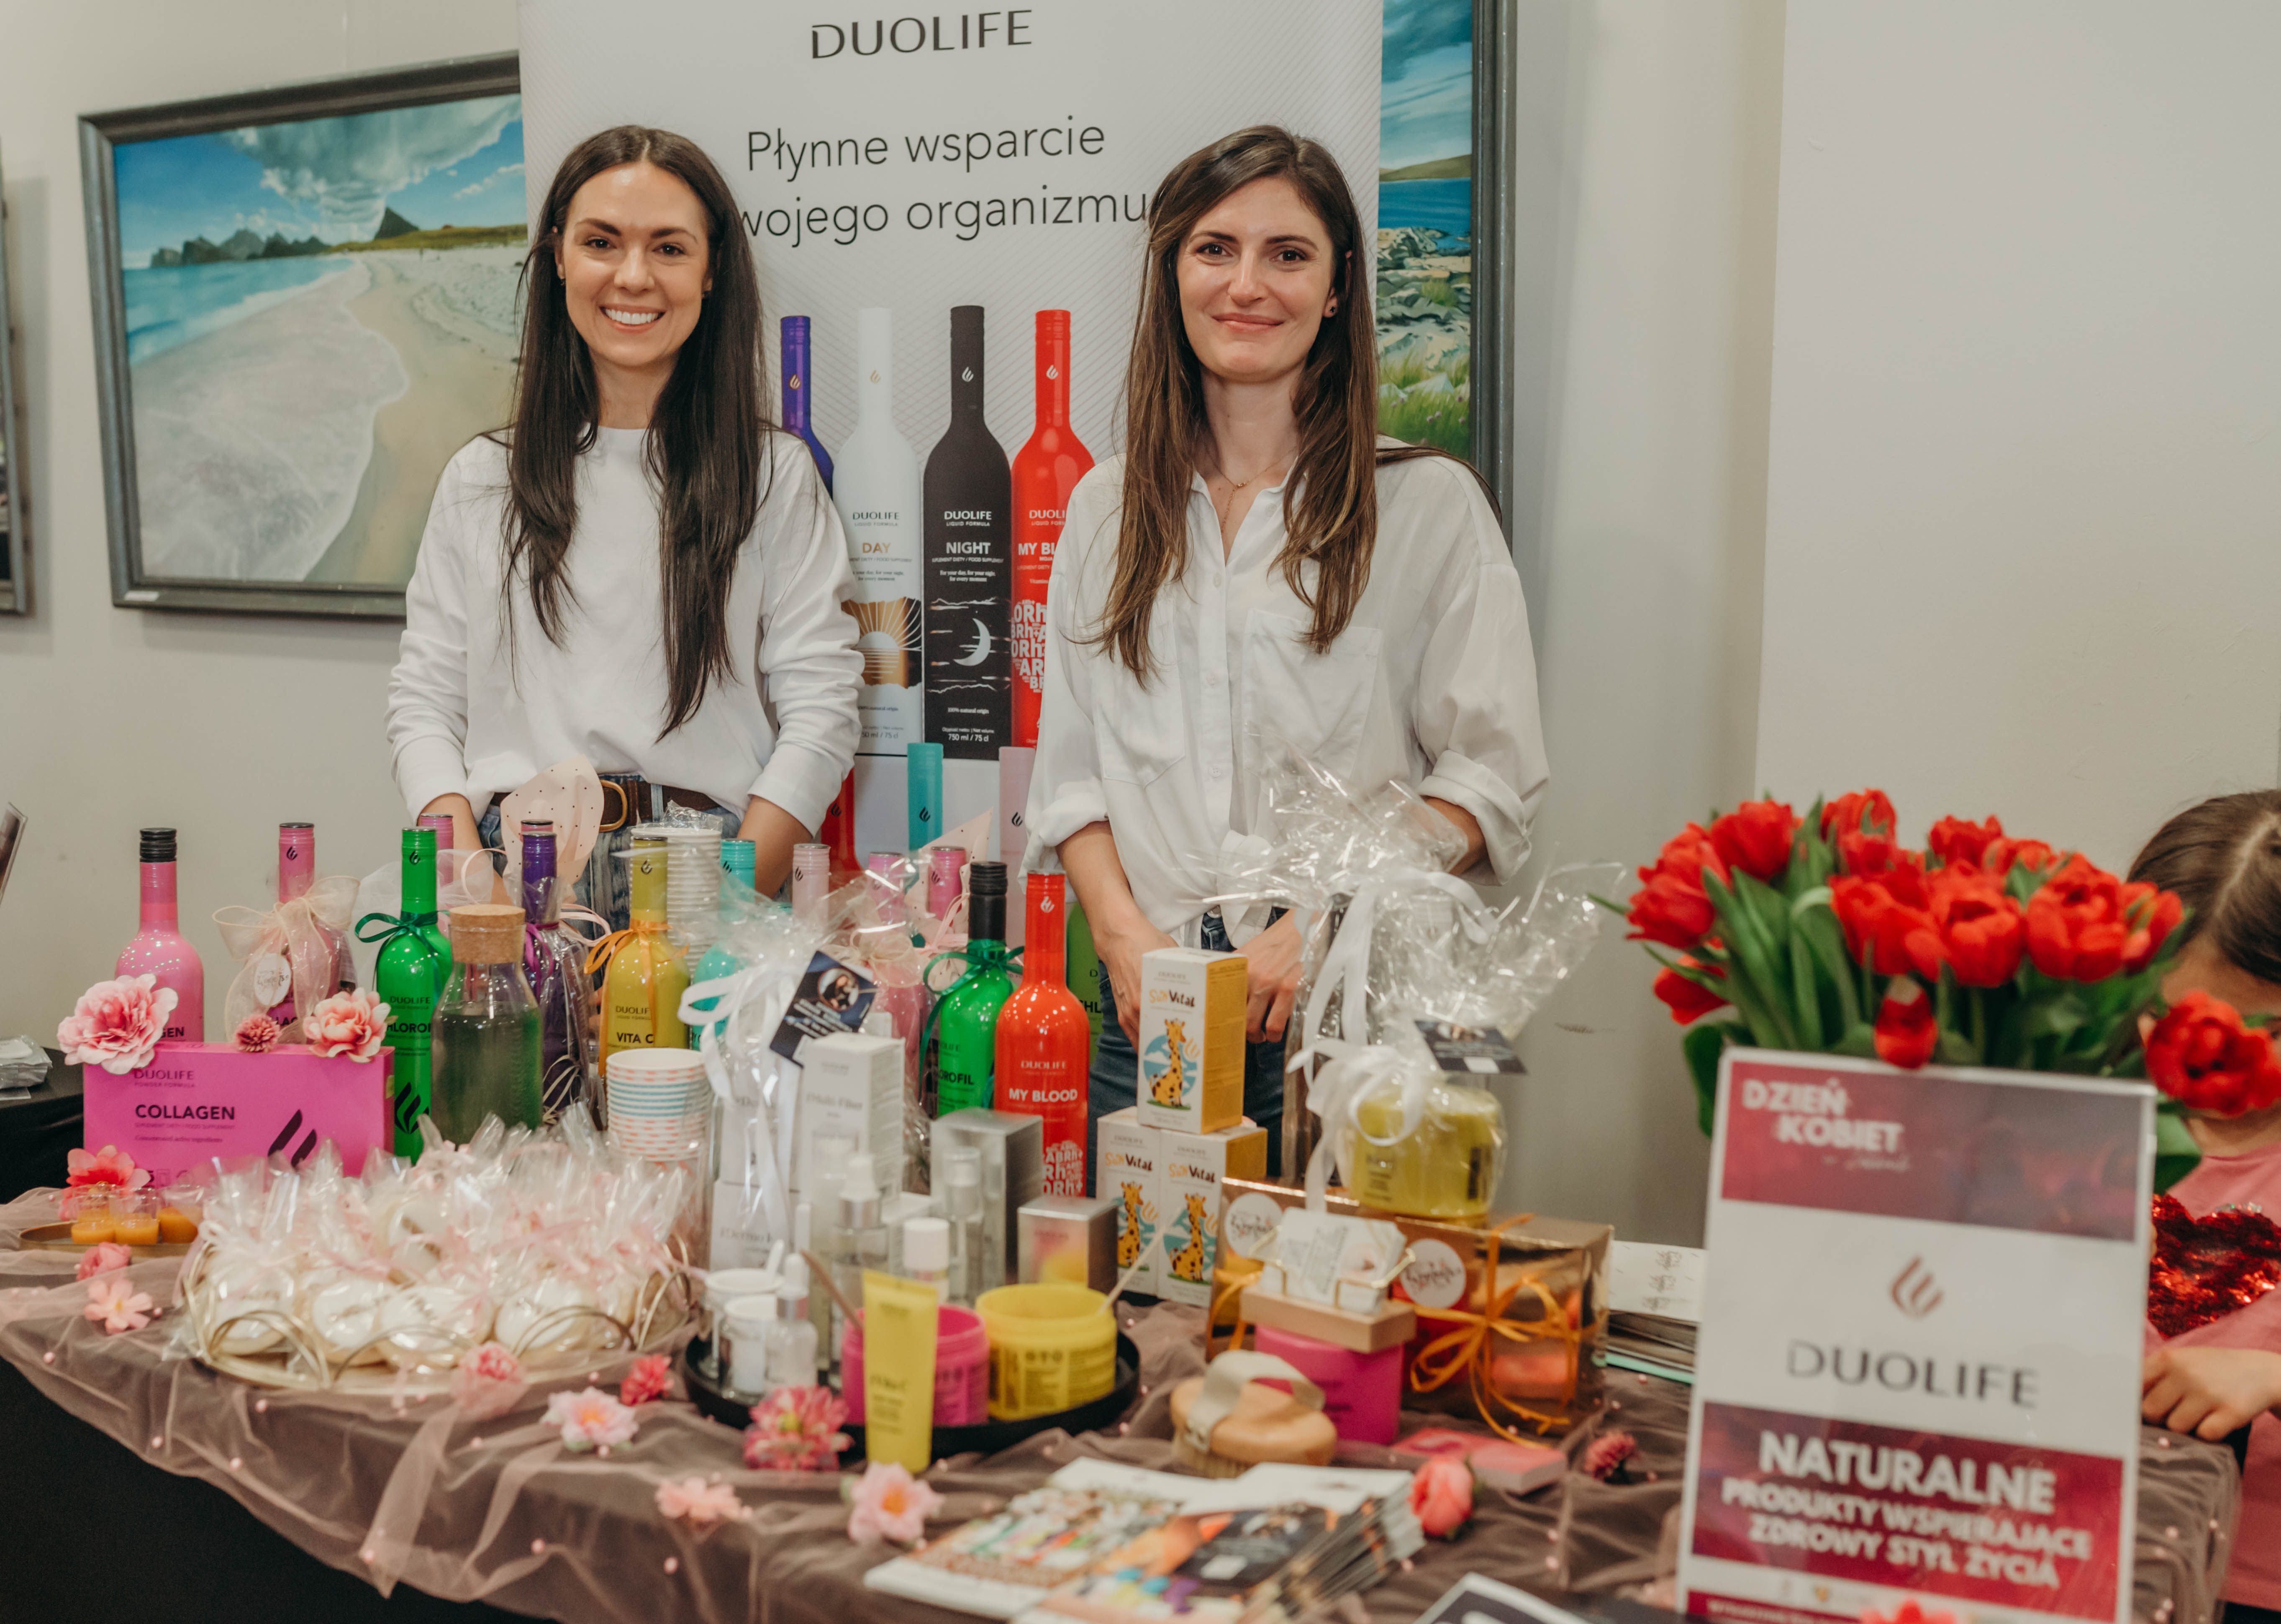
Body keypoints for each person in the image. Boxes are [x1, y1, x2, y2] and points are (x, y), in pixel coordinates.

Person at [1023, 126, 1549, 1172]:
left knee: (1347, 1278)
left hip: (1357, 1019)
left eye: (1288, 254)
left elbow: (1488, 781)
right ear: (1171, 273)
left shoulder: (1426, 505)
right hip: (1150, 1012)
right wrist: (1123, 939)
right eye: (1214, 249)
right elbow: (1073, 779)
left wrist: (1320, 925)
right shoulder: (1103, 509)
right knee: (1144, 1278)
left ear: (1337, 286)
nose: (1246, 285)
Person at [387, 126, 860, 928]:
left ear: (711, 271)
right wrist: (482, 898)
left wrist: (720, 914)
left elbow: (823, 711)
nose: (633, 276)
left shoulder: (773, 476)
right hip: (513, 863)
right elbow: (423, 705)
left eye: (669, 248)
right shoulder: (480, 479)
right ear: (559, 258)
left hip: (711, 866)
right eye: (601, 242)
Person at [2131, 791, 2281, 1624]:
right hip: (2090, 1554)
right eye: (2172, 1020)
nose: (2209, 1065)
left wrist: (2273, 1376)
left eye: (2265, 1032)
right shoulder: (2086, 1119)